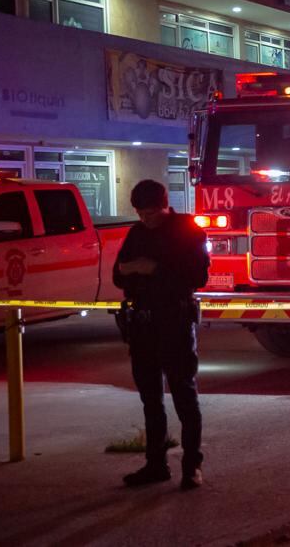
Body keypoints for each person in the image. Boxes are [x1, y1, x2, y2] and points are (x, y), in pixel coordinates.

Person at [113, 179, 210, 490]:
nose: (146, 220)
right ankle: (155, 464)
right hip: (143, 324)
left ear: (165, 206)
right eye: (141, 214)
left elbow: (198, 275)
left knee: (184, 394)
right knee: (150, 399)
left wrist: (153, 268)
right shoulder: (137, 232)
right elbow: (118, 272)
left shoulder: (188, 230)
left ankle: (192, 466)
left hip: (175, 322)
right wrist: (132, 270)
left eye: (151, 214)